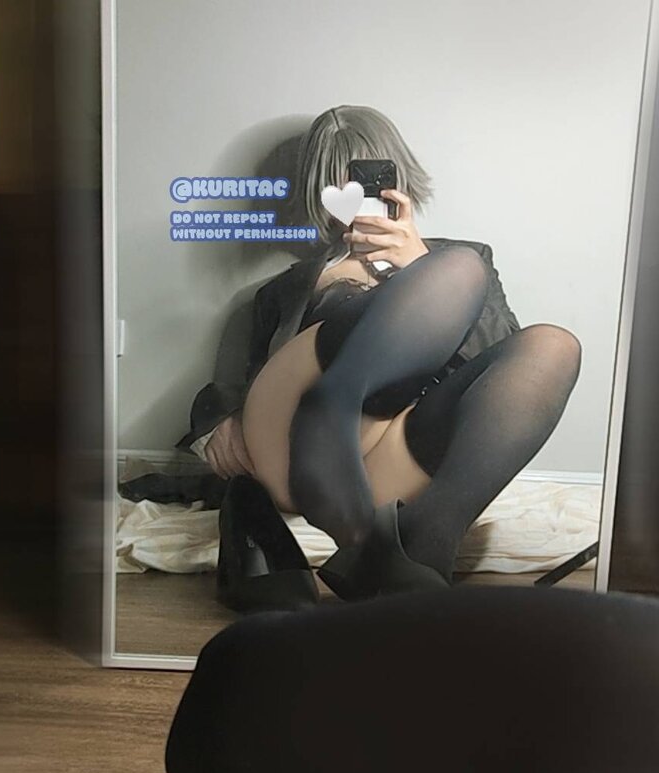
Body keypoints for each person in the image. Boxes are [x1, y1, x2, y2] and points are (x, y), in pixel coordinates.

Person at [179, 105, 581, 594]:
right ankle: (332, 409)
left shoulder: (466, 259)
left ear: (399, 178)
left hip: (385, 468)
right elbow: (237, 380)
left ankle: (427, 540)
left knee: (552, 344)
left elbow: (497, 371)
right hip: (292, 444)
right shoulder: (284, 290)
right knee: (453, 274)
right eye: (335, 185)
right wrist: (217, 419)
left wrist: (419, 262)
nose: (354, 199)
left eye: (366, 181)